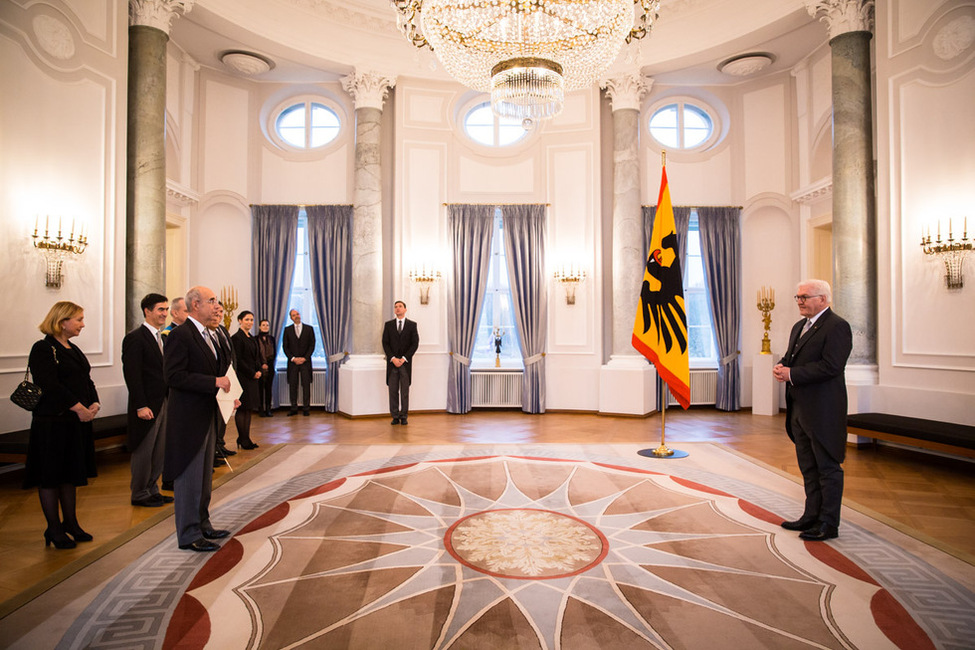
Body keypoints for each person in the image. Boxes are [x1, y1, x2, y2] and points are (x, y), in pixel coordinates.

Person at [773, 279, 853, 542]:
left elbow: (831, 366)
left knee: (827, 468)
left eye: (805, 297)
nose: (799, 301)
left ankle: (829, 523)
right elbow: (792, 357)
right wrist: (782, 367)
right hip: (800, 410)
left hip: (824, 410)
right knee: (808, 466)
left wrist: (792, 373)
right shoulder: (799, 326)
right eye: (797, 297)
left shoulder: (837, 326)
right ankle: (811, 515)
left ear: (823, 298)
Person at [162, 286, 237, 552]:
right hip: (188, 418)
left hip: (208, 414)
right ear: (195, 305)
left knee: (204, 477)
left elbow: (221, 371)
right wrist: (214, 381)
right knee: (189, 477)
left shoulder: (211, 335)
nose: (217, 306)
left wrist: (230, 395)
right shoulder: (180, 335)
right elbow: (174, 376)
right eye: (212, 301)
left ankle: (203, 523)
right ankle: (188, 533)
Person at [25, 301, 100, 549]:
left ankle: (71, 523)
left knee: (69, 474)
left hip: (73, 423)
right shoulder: (43, 348)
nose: (82, 323)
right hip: (52, 423)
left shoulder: (73, 348)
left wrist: (94, 403)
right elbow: (49, 384)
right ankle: (54, 529)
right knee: (50, 476)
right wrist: (78, 407)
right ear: (62, 321)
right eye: (78, 319)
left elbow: (85, 379)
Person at [122, 293, 173, 508]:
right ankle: (140, 492)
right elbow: (132, 375)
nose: (164, 314)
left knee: (159, 449)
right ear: (147, 311)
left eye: (166, 309)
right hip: (146, 404)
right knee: (144, 449)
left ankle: (153, 488)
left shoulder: (162, 337)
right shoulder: (135, 337)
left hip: (163, 400)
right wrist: (141, 405)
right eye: (160, 309)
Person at [381, 300, 419, 425]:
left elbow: (414, 344)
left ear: (405, 309)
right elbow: (385, 343)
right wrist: (392, 358)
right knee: (392, 391)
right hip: (392, 364)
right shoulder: (388, 325)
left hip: (405, 364)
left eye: (400, 306)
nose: (398, 308)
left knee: (404, 392)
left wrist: (403, 358)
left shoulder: (412, 325)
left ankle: (404, 416)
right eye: (396, 307)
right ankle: (395, 416)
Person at [230, 311, 261, 449]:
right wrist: (252, 373)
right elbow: (239, 360)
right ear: (240, 320)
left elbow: (256, 357)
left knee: (249, 409)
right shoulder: (237, 338)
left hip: (253, 377)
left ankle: (246, 438)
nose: (249, 322)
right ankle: (242, 439)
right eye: (247, 319)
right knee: (242, 408)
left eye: (251, 319)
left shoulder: (252, 338)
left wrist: (259, 370)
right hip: (244, 377)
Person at [210, 302, 236, 464]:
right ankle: (214, 449)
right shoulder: (209, 333)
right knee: (215, 419)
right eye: (217, 311)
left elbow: (230, 356)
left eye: (220, 312)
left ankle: (219, 444)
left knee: (223, 416)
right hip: (215, 382)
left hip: (227, 378)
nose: (219, 314)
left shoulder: (223, 331)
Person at [282, 308, 314, 416]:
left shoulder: (309, 329)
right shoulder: (287, 330)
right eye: (294, 315)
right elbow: (285, 347)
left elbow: (312, 345)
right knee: (293, 385)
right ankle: (293, 408)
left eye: (298, 314)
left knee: (306, 385)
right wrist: (293, 358)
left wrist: (305, 358)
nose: (297, 316)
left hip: (306, 362)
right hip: (293, 363)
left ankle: (306, 408)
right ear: (291, 318)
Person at [256, 318, 276, 417]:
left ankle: (268, 409)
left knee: (268, 389)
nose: (265, 327)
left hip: (270, 367)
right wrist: (261, 364)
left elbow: (274, 353)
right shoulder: (255, 339)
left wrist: (268, 364)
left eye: (267, 325)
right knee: (260, 389)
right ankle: (260, 409)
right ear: (259, 327)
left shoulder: (272, 339)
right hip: (259, 367)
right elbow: (255, 354)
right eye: (263, 325)